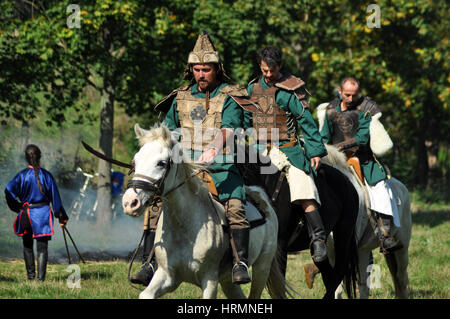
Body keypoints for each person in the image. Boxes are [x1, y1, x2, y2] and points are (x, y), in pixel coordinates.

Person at [131, 31, 252, 286]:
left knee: (235, 208)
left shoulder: (230, 96)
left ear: (216, 69)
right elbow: (166, 133)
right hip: (184, 169)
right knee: (154, 206)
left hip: (220, 167)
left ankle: (240, 262)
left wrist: (213, 150)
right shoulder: (179, 97)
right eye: (197, 69)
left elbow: (228, 130)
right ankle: (150, 262)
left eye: (206, 69)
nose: (201, 74)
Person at [244, 46, 329, 263]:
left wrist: (314, 151)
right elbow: (244, 121)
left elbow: (307, 122)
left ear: (279, 66)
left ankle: (318, 238)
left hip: (288, 149)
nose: (269, 75)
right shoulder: (252, 90)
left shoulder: (289, 90)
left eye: (272, 70)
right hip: (259, 150)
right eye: (265, 71)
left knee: (303, 185)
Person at [320, 76, 402, 253]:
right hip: (334, 161)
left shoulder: (366, 108)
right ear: (340, 92)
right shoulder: (330, 110)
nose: (351, 99)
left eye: (354, 95)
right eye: (347, 95)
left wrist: (338, 147)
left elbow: (362, 138)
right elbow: (324, 137)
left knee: (380, 187)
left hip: (362, 159)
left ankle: (385, 235)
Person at [4, 144, 68, 281]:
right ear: (40, 157)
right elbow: (55, 200)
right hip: (43, 215)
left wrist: (17, 207)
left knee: (27, 246)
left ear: (26, 158)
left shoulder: (21, 175)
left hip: (26, 214)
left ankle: (31, 278)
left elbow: (8, 190)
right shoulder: (47, 175)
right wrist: (61, 216)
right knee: (42, 248)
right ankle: (40, 281)